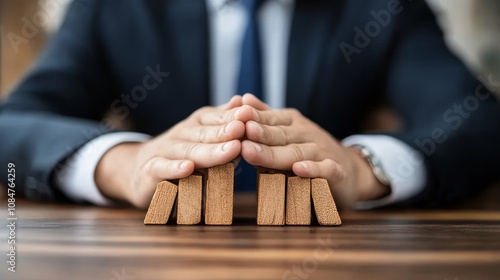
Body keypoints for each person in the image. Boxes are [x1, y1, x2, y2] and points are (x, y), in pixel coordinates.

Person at [1, 0, 500, 210]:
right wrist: (124, 165)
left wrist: (363, 167)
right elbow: (12, 126)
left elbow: (478, 120)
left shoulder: (381, 7)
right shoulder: (115, 7)